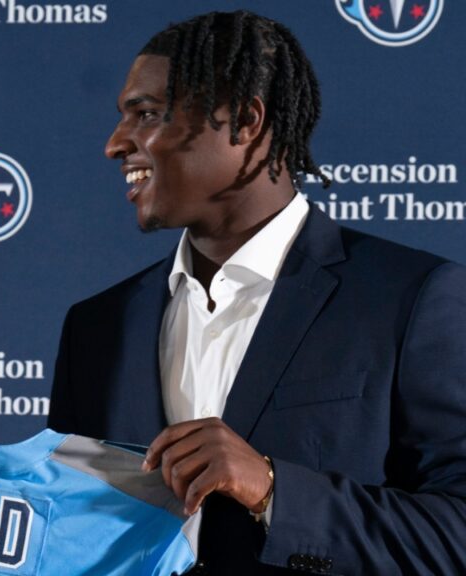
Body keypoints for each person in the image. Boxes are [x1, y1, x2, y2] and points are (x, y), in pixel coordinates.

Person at [48, 10, 466, 575]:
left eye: (146, 115)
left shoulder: (413, 299)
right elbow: (64, 535)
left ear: (244, 121)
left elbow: (456, 535)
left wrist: (271, 488)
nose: (115, 144)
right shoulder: (97, 328)